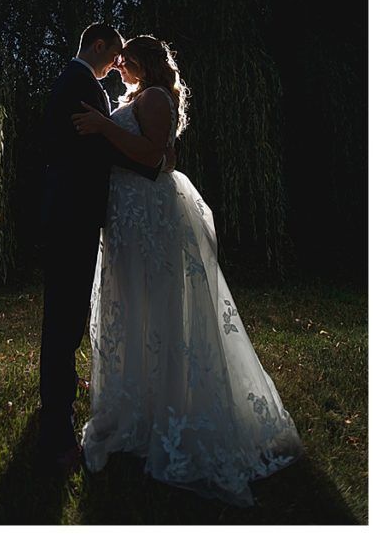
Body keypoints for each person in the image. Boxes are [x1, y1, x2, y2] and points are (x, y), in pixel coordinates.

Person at [72, 35, 302, 505]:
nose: (118, 66)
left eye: (126, 60)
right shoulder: (140, 96)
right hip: (128, 216)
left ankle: (167, 412)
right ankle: (139, 406)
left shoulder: (155, 97)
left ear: (144, 63)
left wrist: (102, 126)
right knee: (130, 306)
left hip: (147, 217)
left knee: (156, 308)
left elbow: (152, 157)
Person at [36, 22, 165, 473]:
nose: (118, 62)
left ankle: (53, 418)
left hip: (79, 215)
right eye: (115, 53)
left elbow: (99, 146)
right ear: (97, 44)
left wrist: (150, 162)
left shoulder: (86, 85)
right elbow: (83, 150)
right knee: (65, 320)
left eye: (125, 57)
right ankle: (55, 429)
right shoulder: (77, 83)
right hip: (71, 216)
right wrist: (150, 165)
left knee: (67, 318)